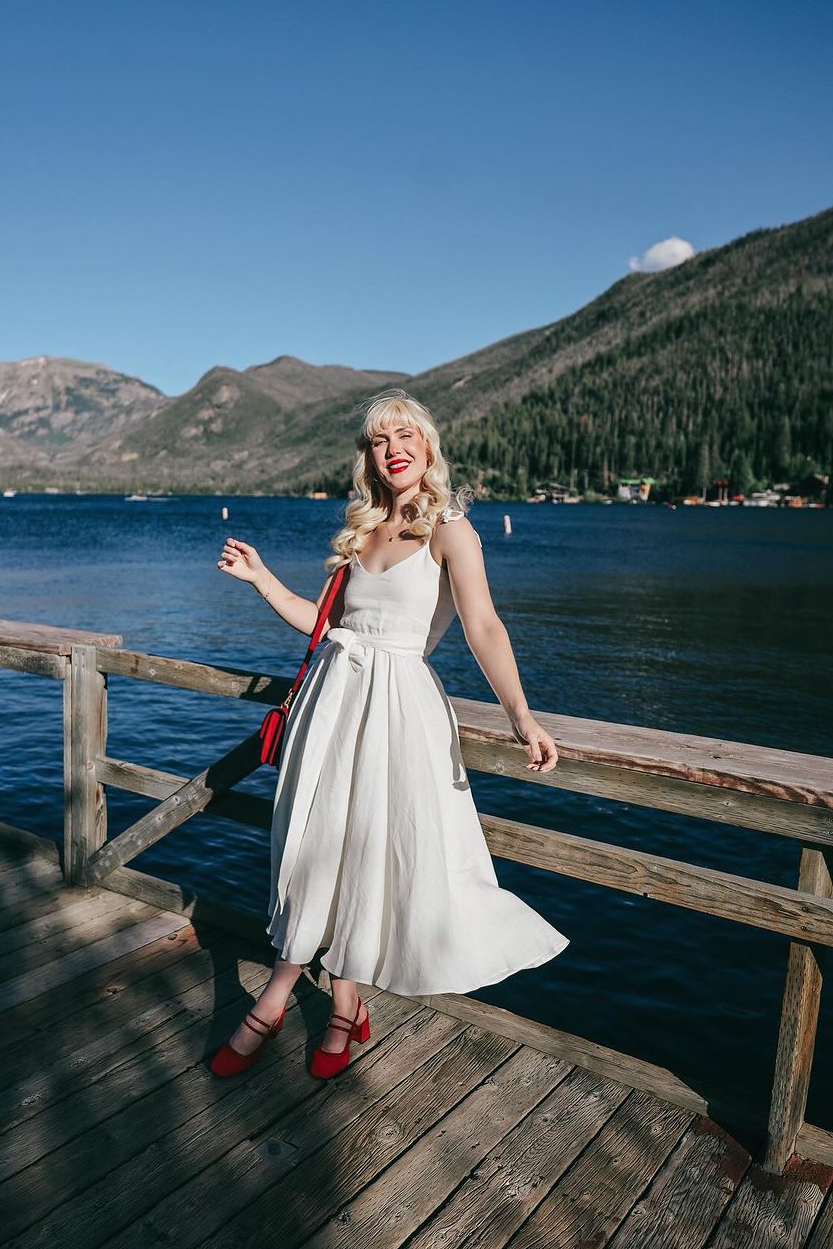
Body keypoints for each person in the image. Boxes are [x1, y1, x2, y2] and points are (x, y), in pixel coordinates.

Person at [210, 388, 569, 1079]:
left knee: (369, 854)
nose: (393, 449)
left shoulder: (451, 530)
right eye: (380, 440)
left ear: (427, 447)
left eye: (405, 436)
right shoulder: (363, 530)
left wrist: (522, 716)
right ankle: (344, 1007)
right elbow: (325, 626)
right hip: (331, 706)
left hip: (396, 713)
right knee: (317, 849)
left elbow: (483, 626)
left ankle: (276, 999)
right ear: (369, 457)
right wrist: (261, 579)